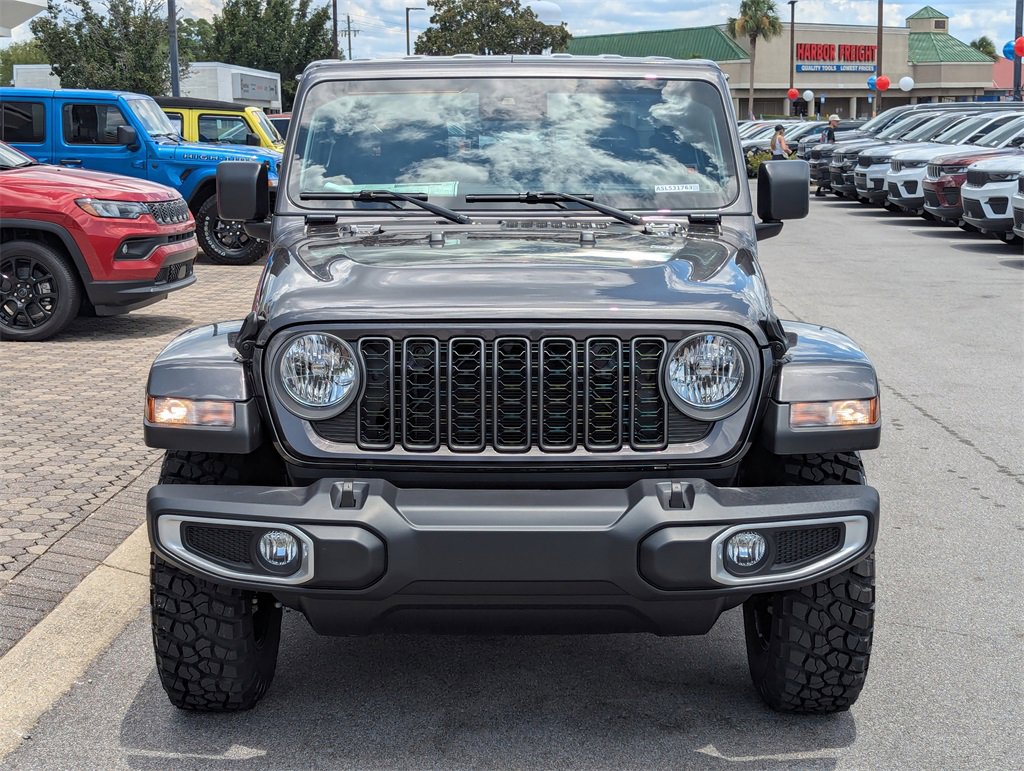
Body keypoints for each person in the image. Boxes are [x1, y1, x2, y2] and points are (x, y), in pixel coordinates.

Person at [815, 114, 841, 197]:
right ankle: (832, 188)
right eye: (836, 121)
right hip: (828, 152)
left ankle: (819, 189)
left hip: (822, 151)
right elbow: (831, 142)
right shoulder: (831, 131)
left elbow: (821, 140)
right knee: (830, 171)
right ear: (832, 121)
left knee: (823, 172)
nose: (838, 123)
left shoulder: (825, 130)